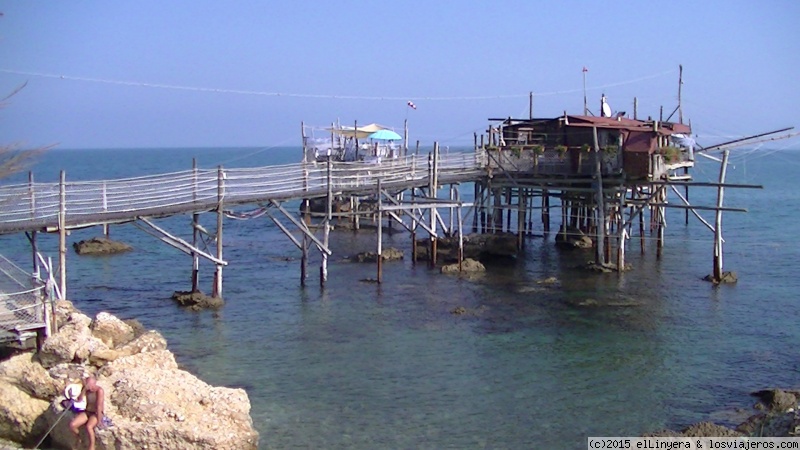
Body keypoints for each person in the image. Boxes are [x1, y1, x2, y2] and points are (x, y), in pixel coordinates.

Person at [68, 376, 104, 450]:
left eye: (90, 385)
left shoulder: (99, 391)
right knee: (72, 425)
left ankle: (92, 446)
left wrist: (99, 420)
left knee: (89, 427)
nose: (89, 387)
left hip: (95, 413)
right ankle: (78, 438)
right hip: (87, 411)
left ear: (94, 383)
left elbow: (99, 406)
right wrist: (84, 390)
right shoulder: (86, 389)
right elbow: (79, 399)